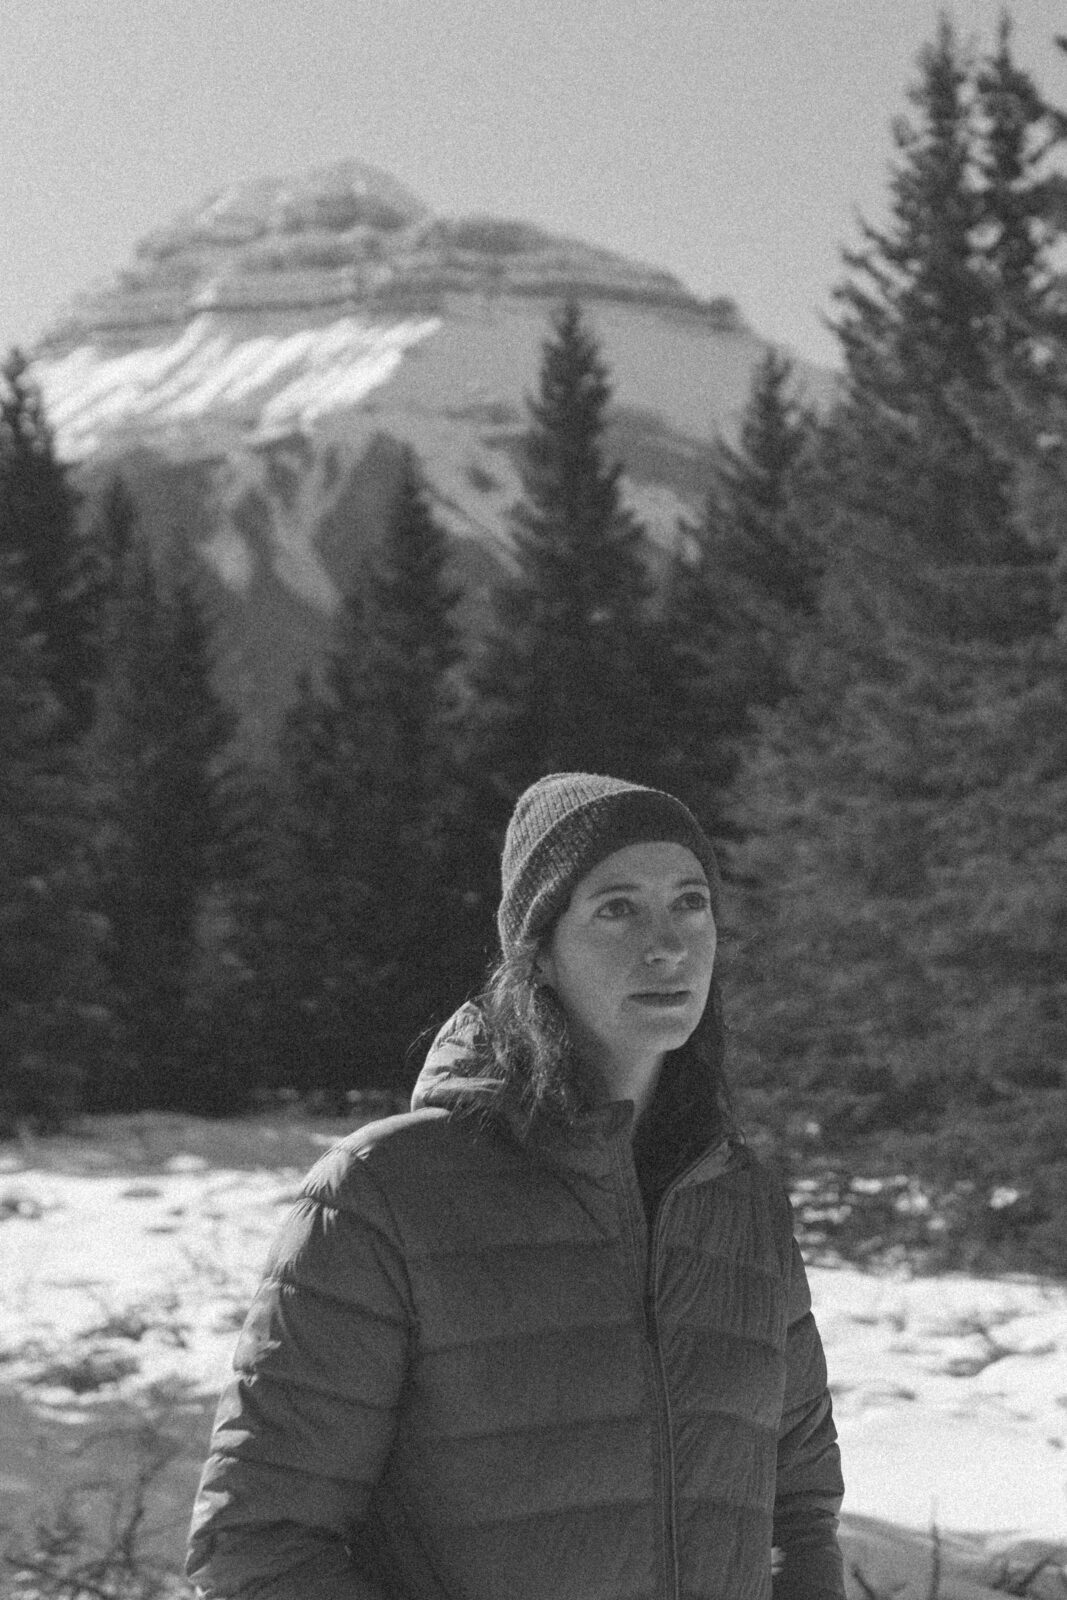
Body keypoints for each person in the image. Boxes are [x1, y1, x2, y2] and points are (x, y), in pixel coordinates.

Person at [187, 771, 846, 1600]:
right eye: (616, 908)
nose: (668, 944)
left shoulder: (739, 1200)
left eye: (689, 903)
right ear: (538, 947)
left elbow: (796, 1510)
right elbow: (260, 1545)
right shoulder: (385, 1193)